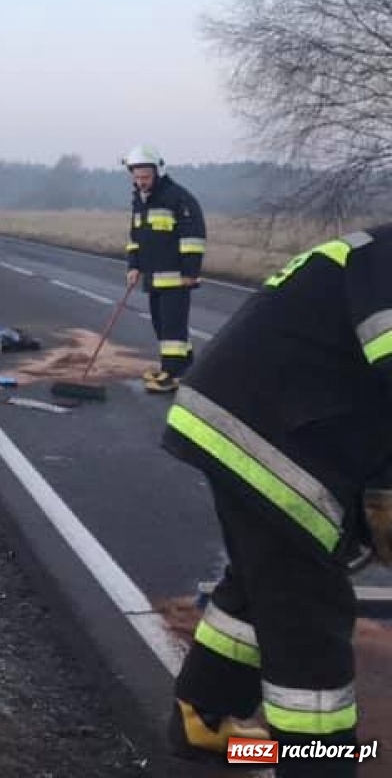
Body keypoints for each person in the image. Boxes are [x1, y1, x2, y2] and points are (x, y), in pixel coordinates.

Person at [159, 225, 392, 772]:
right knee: (307, 612)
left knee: (258, 584)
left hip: (247, 416)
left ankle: (204, 720)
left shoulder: (374, 249)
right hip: (275, 436)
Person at [122, 145, 206, 393]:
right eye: (136, 178)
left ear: (158, 172)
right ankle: (185, 368)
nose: (141, 183)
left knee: (172, 329)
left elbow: (193, 237)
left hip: (177, 279)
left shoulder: (178, 198)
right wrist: (133, 265)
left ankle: (171, 374)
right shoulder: (140, 201)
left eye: (145, 177)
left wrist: (190, 273)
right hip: (153, 278)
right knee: (162, 326)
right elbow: (135, 237)